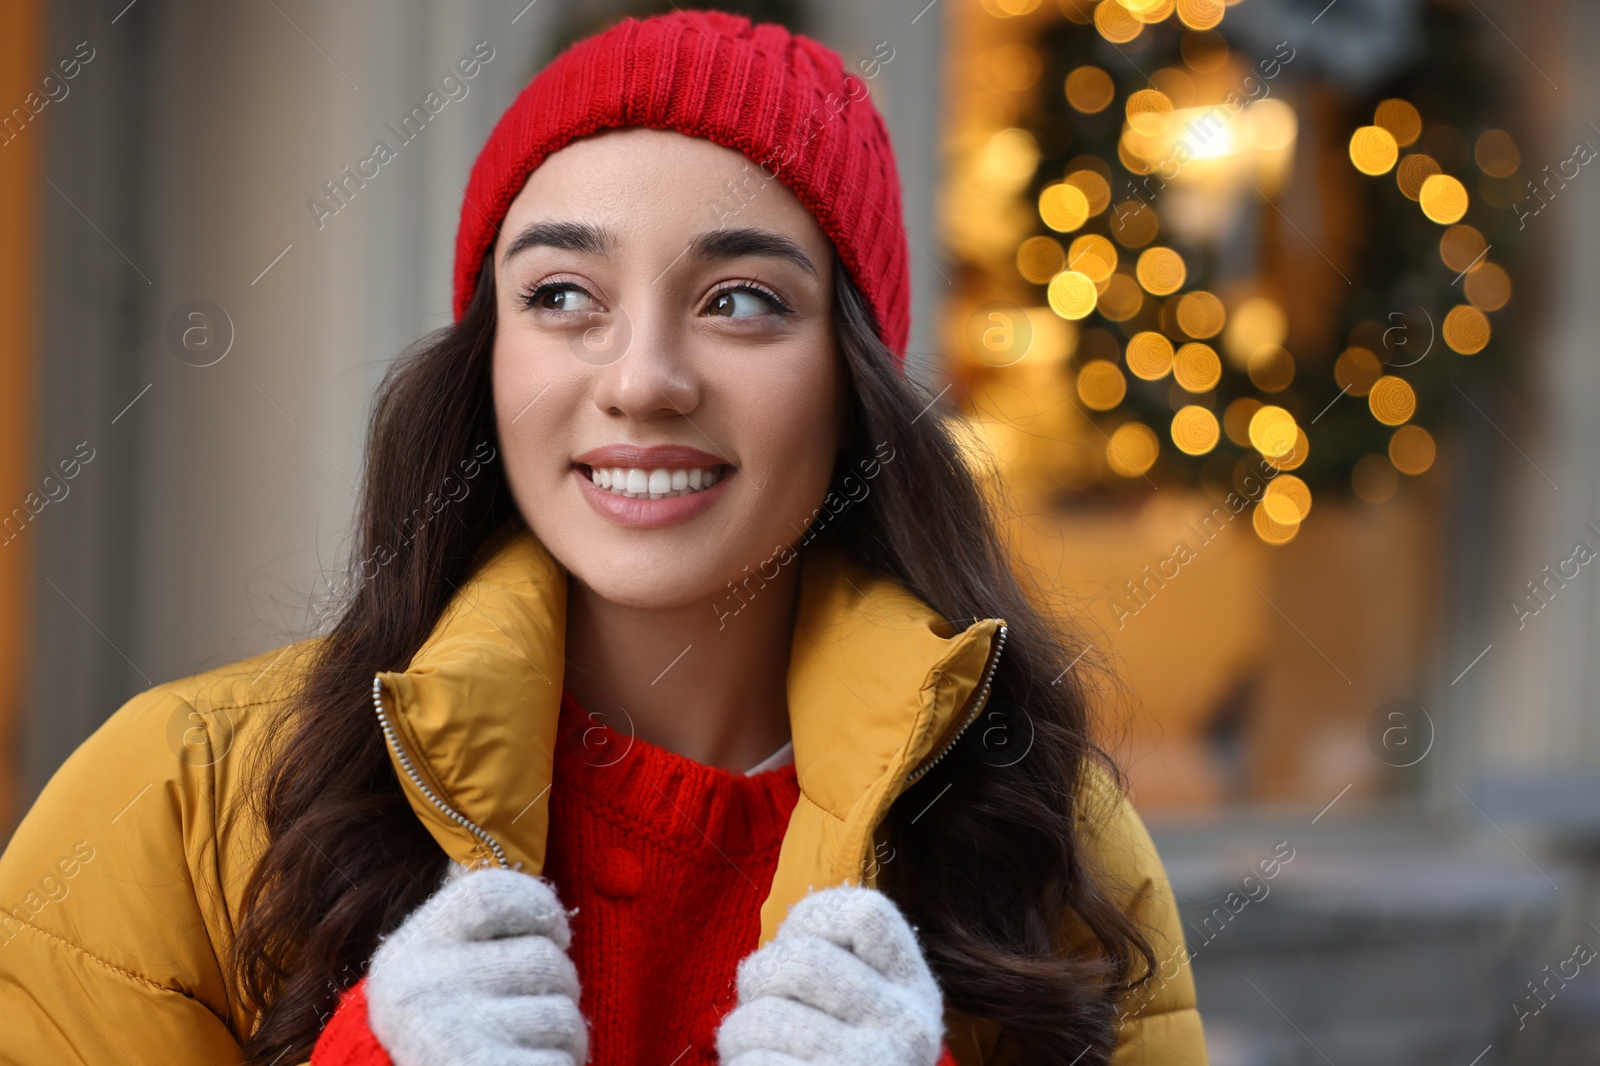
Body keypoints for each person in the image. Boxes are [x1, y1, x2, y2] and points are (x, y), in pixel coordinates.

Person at [0, 9, 1205, 1066]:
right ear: (487, 363)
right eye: (562, 294)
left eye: (741, 300)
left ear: (853, 386)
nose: (642, 380)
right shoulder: (169, 799)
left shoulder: (1048, 838)